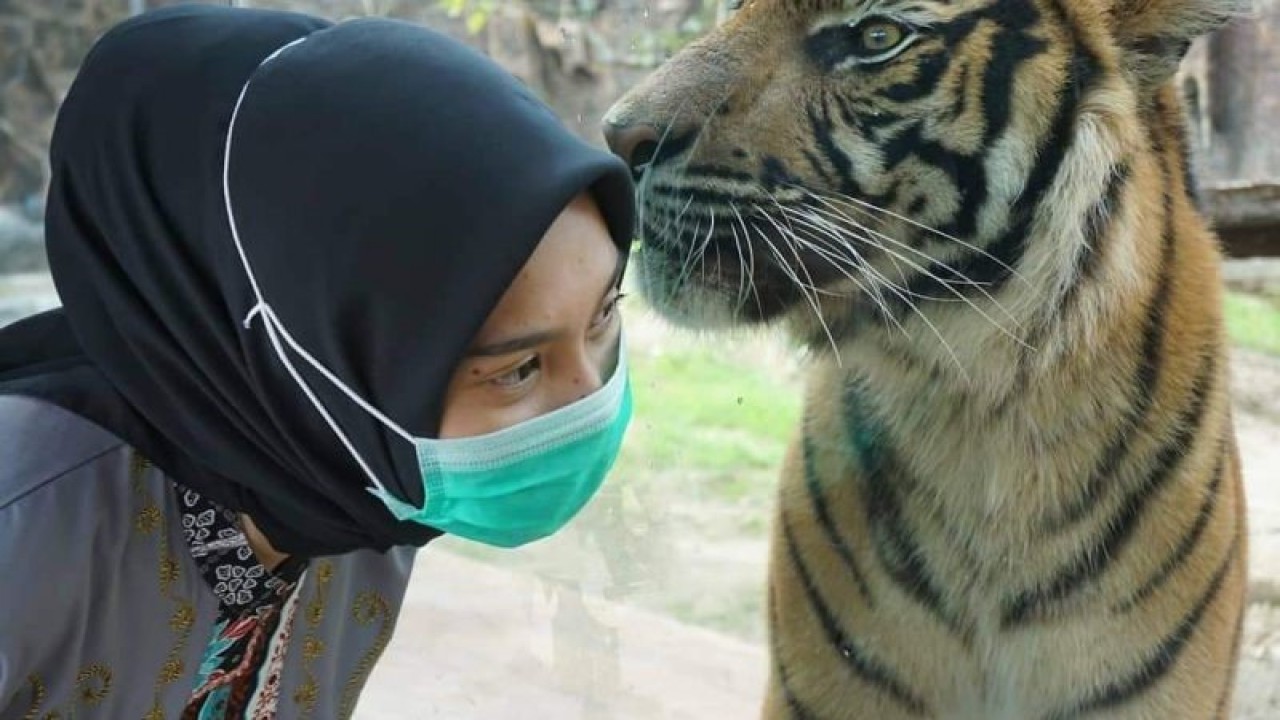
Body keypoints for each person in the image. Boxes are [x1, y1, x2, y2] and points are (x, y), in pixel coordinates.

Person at [0, 4, 635, 718]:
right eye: (516, 370)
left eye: (604, 314)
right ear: (297, 353)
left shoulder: (348, 490)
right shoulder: (25, 524)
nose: (589, 398)